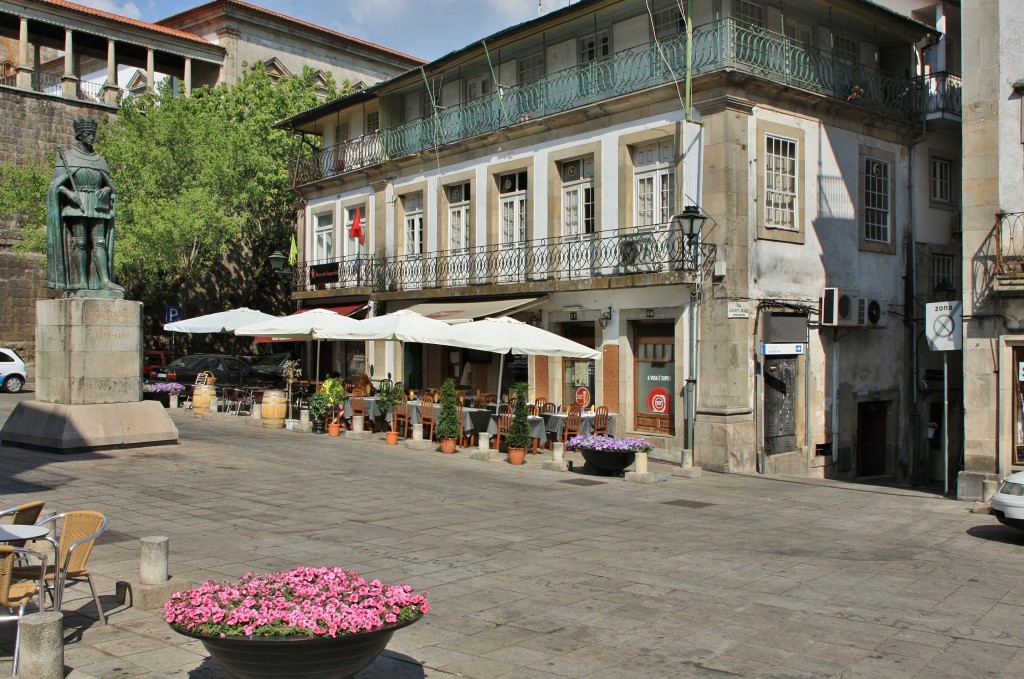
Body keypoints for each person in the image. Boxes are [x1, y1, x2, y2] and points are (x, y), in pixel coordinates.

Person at [46, 118, 123, 296]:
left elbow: (111, 186)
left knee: (100, 242)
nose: (91, 138)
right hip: (77, 202)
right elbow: (56, 185)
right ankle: (81, 280)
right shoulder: (68, 157)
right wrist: (68, 193)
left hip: (97, 204)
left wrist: (106, 189)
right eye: (88, 134)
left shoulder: (100, 160)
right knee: (80, 242)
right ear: (80, 136)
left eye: (93, 134)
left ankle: (104, 281)